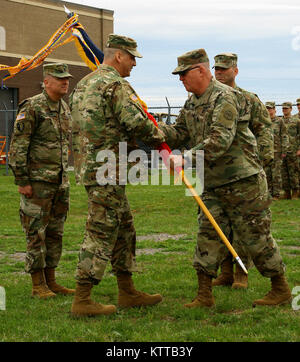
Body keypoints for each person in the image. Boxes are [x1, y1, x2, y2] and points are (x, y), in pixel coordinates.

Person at [160, 48, 291, 308]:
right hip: (211, 182)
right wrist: (154, 128)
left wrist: (183, 158)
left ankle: (280, 288)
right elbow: (179, 133)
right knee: (207, 235)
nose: (180, 79)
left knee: (256, 237)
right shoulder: (192, 102)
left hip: (243, 182)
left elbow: (219, 141)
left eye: (184, 74)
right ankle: (204, 294)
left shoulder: (225, 97)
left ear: (201, 71)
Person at [69, 34, 165, 317]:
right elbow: (136, 122)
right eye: (132, 57)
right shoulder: (115, 84)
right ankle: (82, 298)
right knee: (100, 230)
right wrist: (161, 137)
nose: (134, 64)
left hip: (94, 167)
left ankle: (127, 290)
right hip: (107, 169)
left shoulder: (83, 83)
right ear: (119, 56)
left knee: (124, 228)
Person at [9, 63, 75, 298]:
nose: (65, 82)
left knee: (56, 232)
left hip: (59, 182)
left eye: (66, 78)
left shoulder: (64, 108)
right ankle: (38, 285)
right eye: (59, 78)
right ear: (46, 82)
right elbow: (18, 147)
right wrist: (22, 180)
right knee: (36, 232)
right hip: (36, 183)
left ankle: (51, 280)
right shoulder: (33, 106)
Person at [211, 52, 274, 289]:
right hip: (215, 175)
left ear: (235, 71)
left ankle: (241, 273)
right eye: (216, 69)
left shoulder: (247, 98)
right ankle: (225, 272)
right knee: (218, 225)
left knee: (243, 225)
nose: (219, 73)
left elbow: (264, 129)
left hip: (242, 174)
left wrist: (262, 160)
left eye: (224, 69)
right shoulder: (209, 99)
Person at [265, 101, 289, 200]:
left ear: (274, 110)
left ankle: (277, 194)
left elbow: (284, 136)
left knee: (276, 174)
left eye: (270, 109)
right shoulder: (263, 121)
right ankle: (269, 194)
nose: (269, 111)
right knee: (267, 174)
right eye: (267, 109)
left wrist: (284, 150)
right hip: (266, 152)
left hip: (277, 152)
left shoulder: (279, 121)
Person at [281, 102, 300, 199]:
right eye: (283, 108)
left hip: (293, 149)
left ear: (291, 109)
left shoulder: (296, 121)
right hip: (283, 151)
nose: (284, 110)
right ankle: (287, 192)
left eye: (286, 108)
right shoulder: (280, 121)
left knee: (294, 172)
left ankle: (295, 192)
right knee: (284, 172)